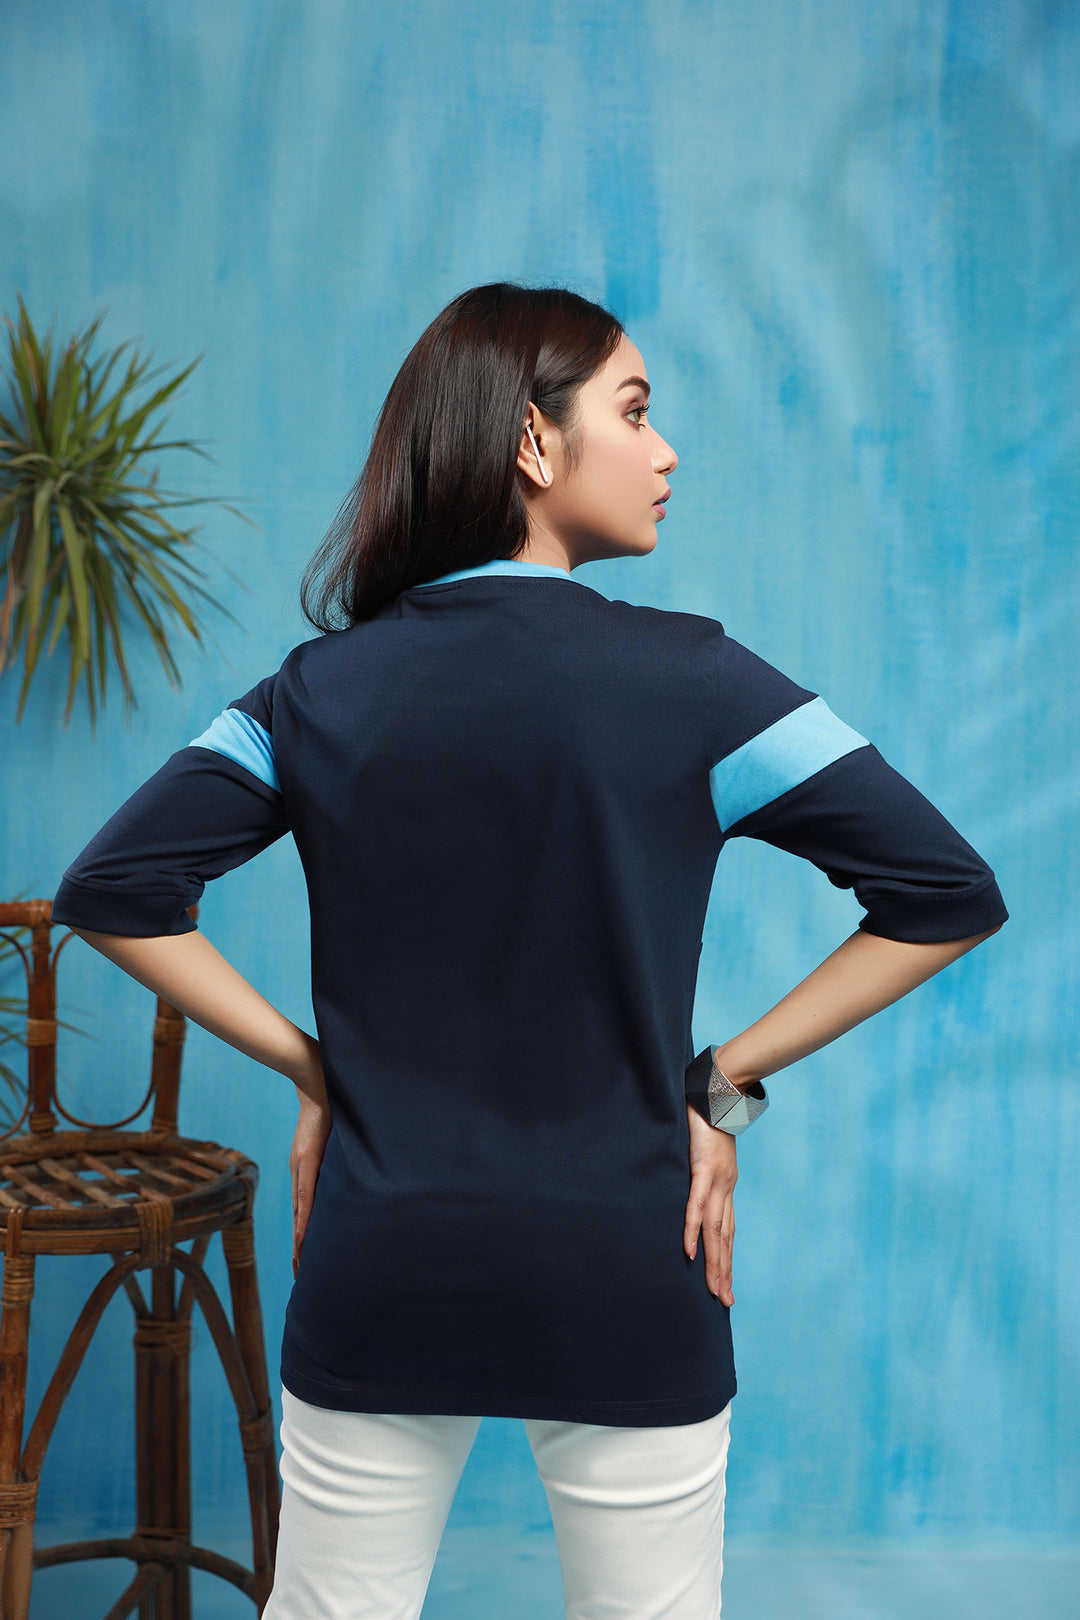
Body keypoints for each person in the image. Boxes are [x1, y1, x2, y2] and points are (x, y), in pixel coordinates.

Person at [50, 282, 1008, 1620]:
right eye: (636, 410)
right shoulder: (702, 682)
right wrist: (720, 1083)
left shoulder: (314, 693)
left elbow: (112, 889)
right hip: (628, 1260)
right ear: (533, 443)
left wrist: (315, 1071)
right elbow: (946, 893)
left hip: (384, 1260)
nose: (667, 450)